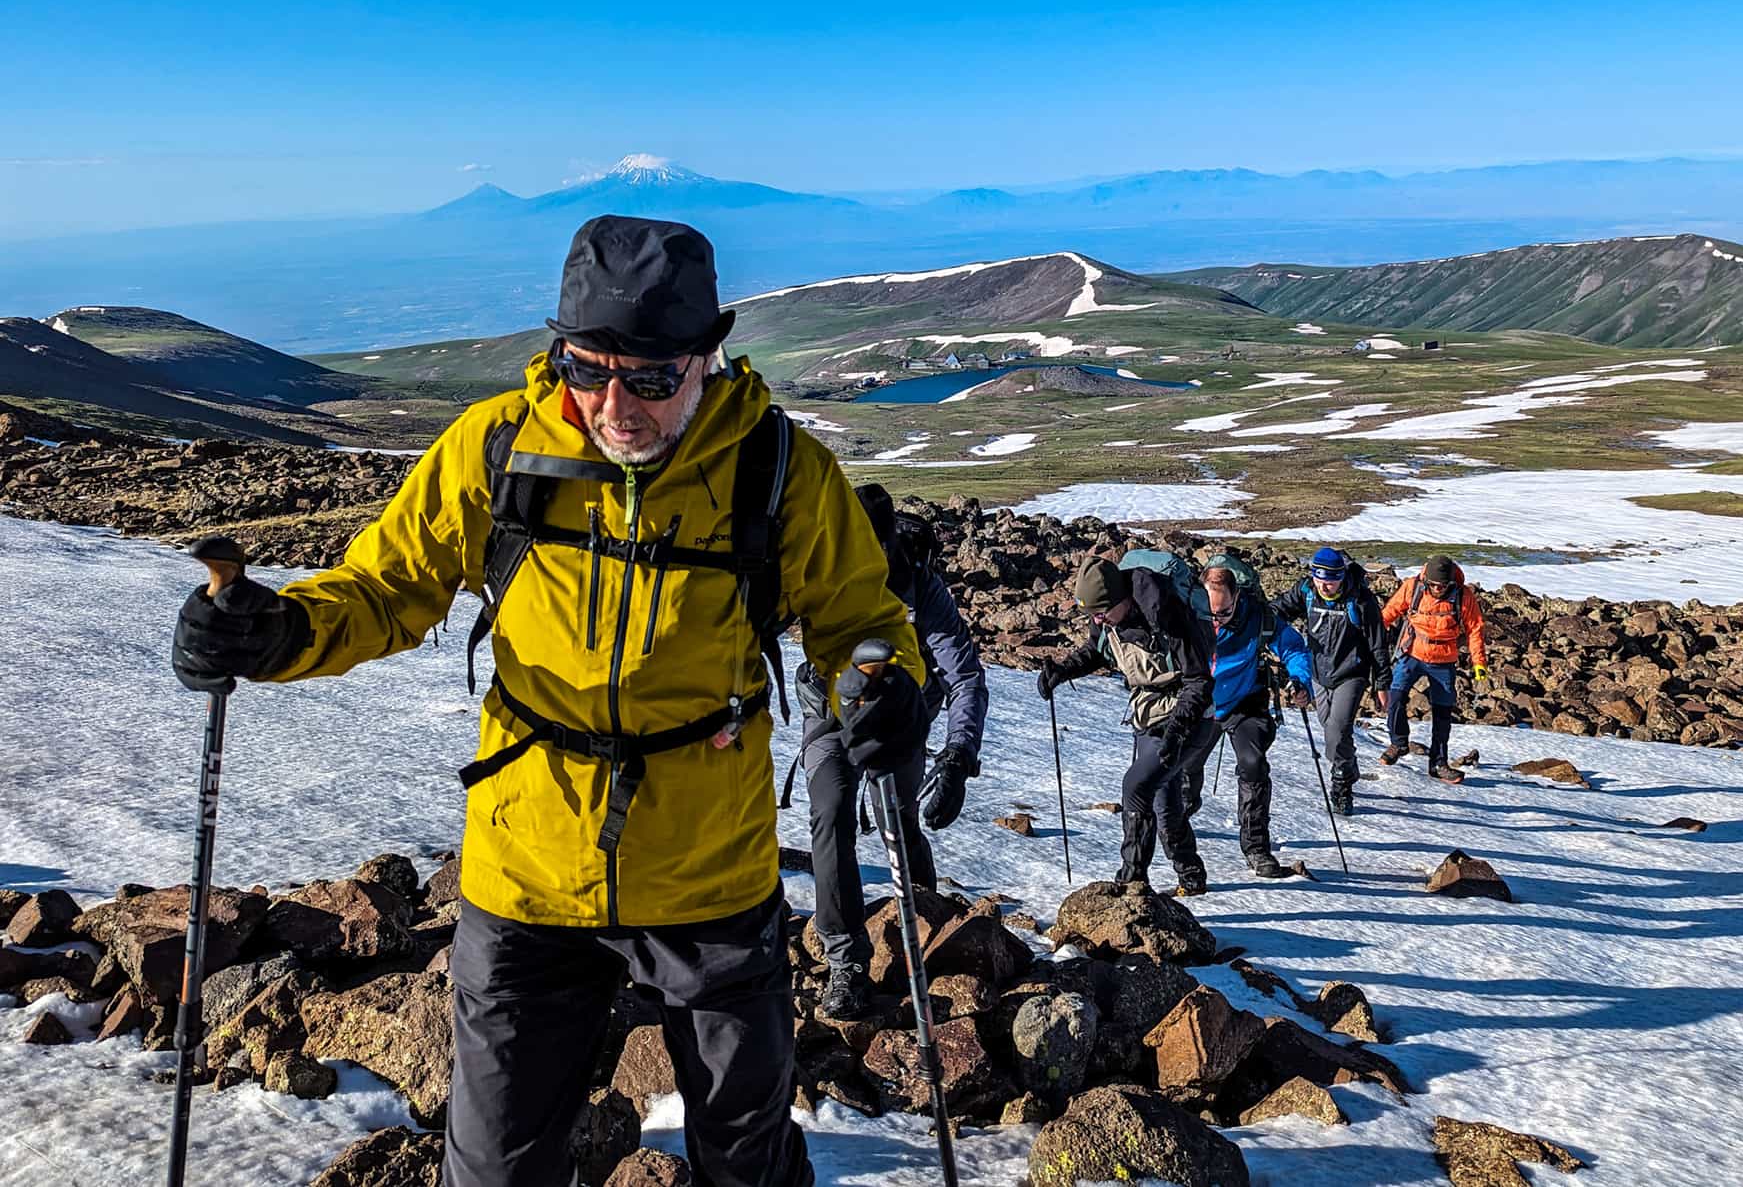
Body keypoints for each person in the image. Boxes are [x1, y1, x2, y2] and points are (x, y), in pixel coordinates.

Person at [170, 215, 927, 1187]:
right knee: (492, 1170)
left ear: (708, 360)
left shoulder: (778, 469)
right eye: (585, 368)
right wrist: (278, 633)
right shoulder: (494, 449)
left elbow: (856, 616)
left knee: (747, 1165)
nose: (614, 404)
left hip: (709, 874)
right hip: (528, 872)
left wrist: (879, 682)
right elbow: (385, 587)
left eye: (650, 378)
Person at [798, 483, 989, 1018]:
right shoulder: (819, 565)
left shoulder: (920, 586)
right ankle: (846, 962)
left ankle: (924, 926)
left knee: (898, 821)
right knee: (831, 812)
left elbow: (964, 676)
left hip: (898, 721)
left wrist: (957, 756)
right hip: (831, 716)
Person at [1035, 555, 1214, 895]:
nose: (1098, 620)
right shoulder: (1106, 621)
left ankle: (1132, 880)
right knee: (1164, 799)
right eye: (1092, 614)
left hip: (1188, 717)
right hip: (1148, 715)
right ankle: (1191, 875)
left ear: (1122, 599)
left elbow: (1199, 681)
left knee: (1136, 786)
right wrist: (1062, 671)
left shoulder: (1166, 613)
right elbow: (1098, 651)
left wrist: (1177, 732)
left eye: (1102, 612)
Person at [1180, 553, 1315, 880]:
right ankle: (1177, 821)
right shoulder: (1184, 614)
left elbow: (1294, 647)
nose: (1217, 619)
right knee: (1184, 765)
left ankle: (1256, 848)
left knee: (1253, 765)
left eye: (1224, 612)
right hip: (1200, 703)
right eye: (1210, 612)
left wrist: (1300, 680)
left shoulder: (1258, 618)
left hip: (1244, 702)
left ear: (1237, 596)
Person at [1278, 546, 1391, 815]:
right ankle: (1348, 766)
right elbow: (1278, 610)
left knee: (1336, 731)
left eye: (1330, 579)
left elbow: (1378, 645)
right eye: (1319, 578)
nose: (1324, 585)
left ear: (1341, 576)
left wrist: (1382, 684)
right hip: (1318, 673)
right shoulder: (1306, 591)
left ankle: (1341, 786)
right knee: (1330, 728)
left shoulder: (1361, 600)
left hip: (1351, 674)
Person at [1379, 553, 1488, 783]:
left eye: (1442, 585)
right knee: (1394, 697)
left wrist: (1479, 663)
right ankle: (1398, 743)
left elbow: (1475, 629)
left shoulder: (1463, 596)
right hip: (1412, 653)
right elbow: (1389, 613)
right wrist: (1371, 640)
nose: (1437, 589)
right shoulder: (1412, 587)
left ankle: (1438, 763)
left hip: (1444, 659)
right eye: (1433, 585)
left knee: (1442, 714)